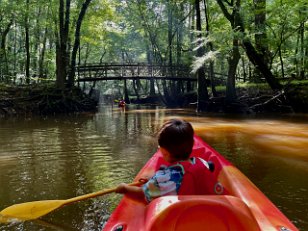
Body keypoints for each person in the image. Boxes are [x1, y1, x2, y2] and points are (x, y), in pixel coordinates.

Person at [115, 119, 211, 202]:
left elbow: (143, 194)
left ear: (165, 152)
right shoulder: (202, 162)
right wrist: (151, 181)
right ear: (193, 144)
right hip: (207, 213)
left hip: (182, 218)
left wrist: (125, 188)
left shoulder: (163, 178)